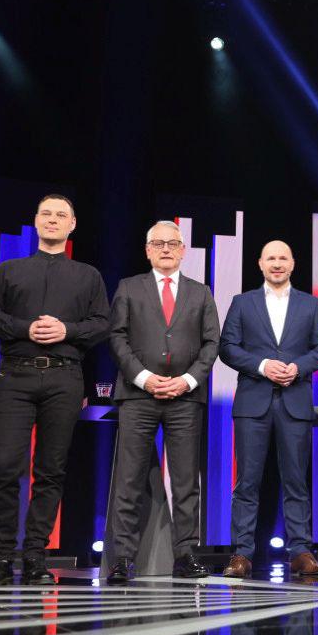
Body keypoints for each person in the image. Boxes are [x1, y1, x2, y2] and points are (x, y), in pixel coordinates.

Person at [0, 195, 109, 586]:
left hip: (65, 378)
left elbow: (103, 323)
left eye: (61, 215)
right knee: (4, 466)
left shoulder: (88, 275)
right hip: (15, 376)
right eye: (46, 214)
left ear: (72, 225)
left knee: (51, 470)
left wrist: (68, 330)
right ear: (35, 221)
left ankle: (35, 554)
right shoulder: (9, 269)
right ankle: (1, 556)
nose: (53, 220)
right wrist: (24, 328)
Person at [104, 221, 221, 584]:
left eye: (172, 243)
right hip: (138, 395)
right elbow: (117, 337)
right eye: (158, 243)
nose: (166, 249)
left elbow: (211, 343)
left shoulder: (200, 292)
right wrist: (143, 377)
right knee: (129, 479)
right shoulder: (128, 287)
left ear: (183, 250)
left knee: (186, 481)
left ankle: (185, 555)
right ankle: (123, 558)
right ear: (147, 250)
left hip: (185, 398)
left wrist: (187, 380)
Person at [217, 240, 318, 579]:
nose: (277, 263)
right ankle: (241, 554)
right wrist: (263, 365)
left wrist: (298, 367)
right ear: (260, 263)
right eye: (271, 258)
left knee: (296, 481)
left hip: (295, 401)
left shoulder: (311, 304)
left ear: (293, 263)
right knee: (247, 483)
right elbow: (228, 347)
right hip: (252, 402)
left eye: (283, 257)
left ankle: (301, 552)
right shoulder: (243, 302)